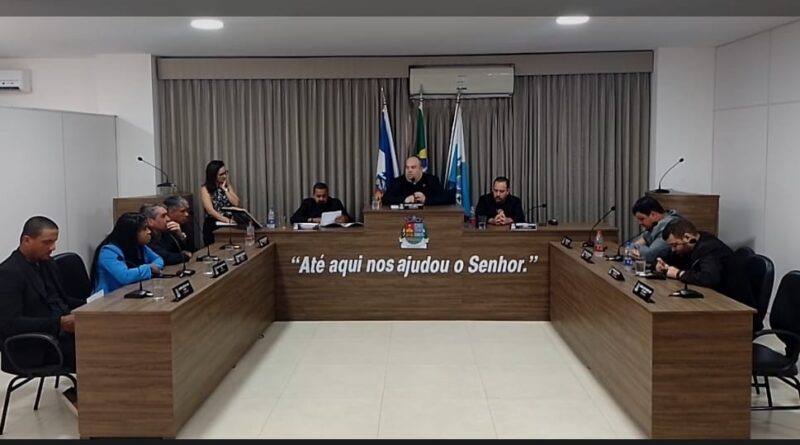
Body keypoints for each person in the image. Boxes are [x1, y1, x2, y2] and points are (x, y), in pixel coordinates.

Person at [0, 217, 84, 374]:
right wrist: (59, 323)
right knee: (97, 349)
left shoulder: (48, 263)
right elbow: (10, 324)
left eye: (54, 242)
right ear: (27, 240)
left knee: (107, 336)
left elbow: (61, 300)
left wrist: (89, 305)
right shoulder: (8, 273)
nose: (53, 247)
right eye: (47, 242)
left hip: (60, 334)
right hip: (35, 345)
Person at [91, 212, 164, 295]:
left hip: (130, 291)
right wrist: (149, 268)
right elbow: (125, 276)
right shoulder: (108, 252)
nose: (149, 231)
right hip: (109, 298)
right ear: (131, 232)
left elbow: (159, 259)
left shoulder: (139, 246)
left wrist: (153, 268)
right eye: (144, 229)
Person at [655, 218, 733, 292]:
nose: (673, 249)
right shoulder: (691, 243)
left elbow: (709, 278)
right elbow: (666, 255)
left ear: (687, 237)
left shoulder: (710, 248)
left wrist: (678, 274)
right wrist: (661, 262)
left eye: (675, 245)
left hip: (724, 296)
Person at [199, 160, 241, 246]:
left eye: (225, 173)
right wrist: (227, 220)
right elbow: (210, 211)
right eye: (221, 174)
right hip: (214, 223)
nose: (225, 176)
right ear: (213, 175)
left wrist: (225, 190)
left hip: (228, 224)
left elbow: (236, 203)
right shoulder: (205, 188)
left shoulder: (227, 185)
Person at [382, 156, 451, 206]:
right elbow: (385, 199)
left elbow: (445, 198)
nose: (409, 170)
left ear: (421, 169)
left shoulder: (431, 180)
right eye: (407, 167)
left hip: (428, 216)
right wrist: (404, 200)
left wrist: (426, 200)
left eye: (413, 167)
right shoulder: (398, 181)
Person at [630, 196, 681, 262]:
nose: (640, 223)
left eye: (642, 219)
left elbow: (650, 255)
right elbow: (642, 241)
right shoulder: (655, 224)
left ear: (653, 215)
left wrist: (634, 247)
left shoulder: (670, 226)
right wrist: (632, 248)